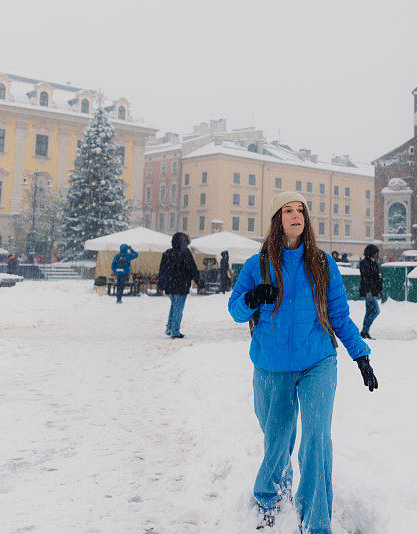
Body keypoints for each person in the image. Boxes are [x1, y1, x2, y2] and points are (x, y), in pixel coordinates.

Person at [228, 191, 377, 533]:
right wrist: (252, 298)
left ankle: (316, 520)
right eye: (288, 210)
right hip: (271, 364)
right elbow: (235, 311)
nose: (297, 215)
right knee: (278, 439)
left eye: (301, 210)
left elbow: (338, 315)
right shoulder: (258, 265)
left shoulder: (323, 264)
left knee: (316, 439)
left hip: (317, 361)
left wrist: (360, 354)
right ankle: (270, 496)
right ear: (275, 219)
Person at [157, 232, 204, 338]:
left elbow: (162, 270)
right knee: (178, 309)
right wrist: (200, 283)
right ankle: (175, 331)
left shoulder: (167, 253)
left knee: (174, 307)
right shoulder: (185, 253)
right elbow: (192, 269)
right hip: (181, 285)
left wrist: (161, 284)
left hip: (169, 285)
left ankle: (169, 328)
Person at [359, 244, 382, 339]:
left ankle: (365, 332)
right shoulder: (365, 263)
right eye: (375, 252)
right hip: (368, 291)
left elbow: (378, 278)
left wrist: (380, 290)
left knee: (369, 312)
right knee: (376, 310)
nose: (376, 254)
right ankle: (365, 330)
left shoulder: (374, 263)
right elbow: (366, 278)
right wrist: (368, 291)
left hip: (372, 291)